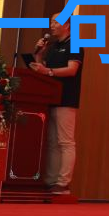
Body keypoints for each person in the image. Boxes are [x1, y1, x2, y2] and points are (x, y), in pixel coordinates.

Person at [29, 17, 83, 193]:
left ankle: (63, 182)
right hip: (51, 99)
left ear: (67, 25)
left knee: (66, 142)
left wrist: (48, 71)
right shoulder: (52, 47)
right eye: (51, 22)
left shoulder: (75, 44)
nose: (51, 26)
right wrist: (39, 55)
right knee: (52, 142)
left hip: (66, 99)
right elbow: (43, 69)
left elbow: (72, 69)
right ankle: (51, 181)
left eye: (55, 22)